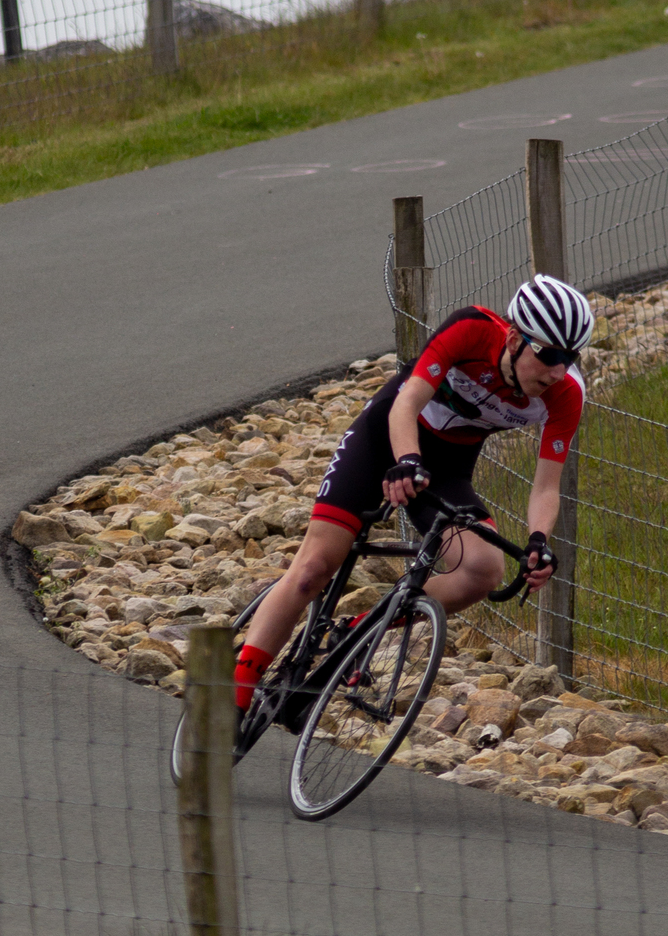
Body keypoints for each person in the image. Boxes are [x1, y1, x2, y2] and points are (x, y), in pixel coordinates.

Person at [234, 275, 595, 711]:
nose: (557, 370)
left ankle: (362, 629)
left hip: (446, 468)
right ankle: (230, 697)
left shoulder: (565, 394)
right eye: (548, 354)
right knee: (313, 568)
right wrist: (407, 461)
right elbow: (405, 406)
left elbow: (546, 485)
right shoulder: (471, 330)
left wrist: (539, 542)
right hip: (387, 438)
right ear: (515, 337)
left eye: (569, 357)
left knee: (483, 569)